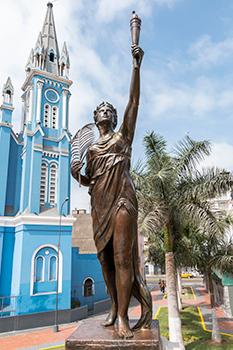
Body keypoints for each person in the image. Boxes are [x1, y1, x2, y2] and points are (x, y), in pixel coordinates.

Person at [71, 44, 152, 339]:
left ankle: (122, 317)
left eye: (109, 109)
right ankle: (114, 305)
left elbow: (134, 100)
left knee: (121, 258)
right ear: (95, 118)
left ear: (115, 118)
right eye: (100, 109)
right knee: (104, 259)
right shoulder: (91, 149)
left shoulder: (123, 137)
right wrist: (78, 175)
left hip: (122, 201)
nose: (105, 110)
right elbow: (91, 181)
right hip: (99, 205)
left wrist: (135, 67)